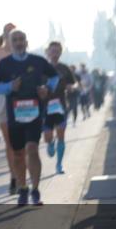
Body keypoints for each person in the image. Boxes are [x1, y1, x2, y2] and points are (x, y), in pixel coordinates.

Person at [0, 30, 59, 206]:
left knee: (32, 149)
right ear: (10, 42)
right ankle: (23, 188)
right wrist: (9, 87)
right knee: (17, 154)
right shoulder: (4, 64)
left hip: (34, 114)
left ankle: (35, 189)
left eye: (22, 39)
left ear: (26, 42)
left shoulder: (37, 61)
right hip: (14, 116)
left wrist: (47, 88)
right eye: (15, 39)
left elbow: (54, 76)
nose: (19, 42)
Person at [0, 24, 17, 194]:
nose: (11, 36)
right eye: (8, 33)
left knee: (21, 141)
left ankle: (21, 173)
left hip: (20, 100)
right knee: (9, 143)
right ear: (4, 35)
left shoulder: (21, 53)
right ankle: (13, 176)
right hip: (1, 99)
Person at [41, 41, 76, 175]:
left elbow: (74, 83)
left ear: (60, 52)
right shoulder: (42, 68)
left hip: (61, 105)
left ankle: (59, 164)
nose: (55, 53)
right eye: (53, 51)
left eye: (57, 51)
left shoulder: (64, 68)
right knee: (48, 136)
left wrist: (72, 87)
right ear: (48, 52)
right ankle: (50, 143)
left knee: (61, 135)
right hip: (45, 107)